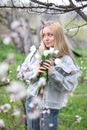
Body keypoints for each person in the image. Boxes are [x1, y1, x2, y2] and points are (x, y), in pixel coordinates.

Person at [17, 21, 80, 130]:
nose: (46, 38)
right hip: (32, 102)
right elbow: (21, 74)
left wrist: (52, 72)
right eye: (44, 35)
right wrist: (35, 74)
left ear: (58, 36)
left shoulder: (66, 60)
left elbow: (69, 86)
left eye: (50, 35)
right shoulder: (35, 54)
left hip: (51, 105)